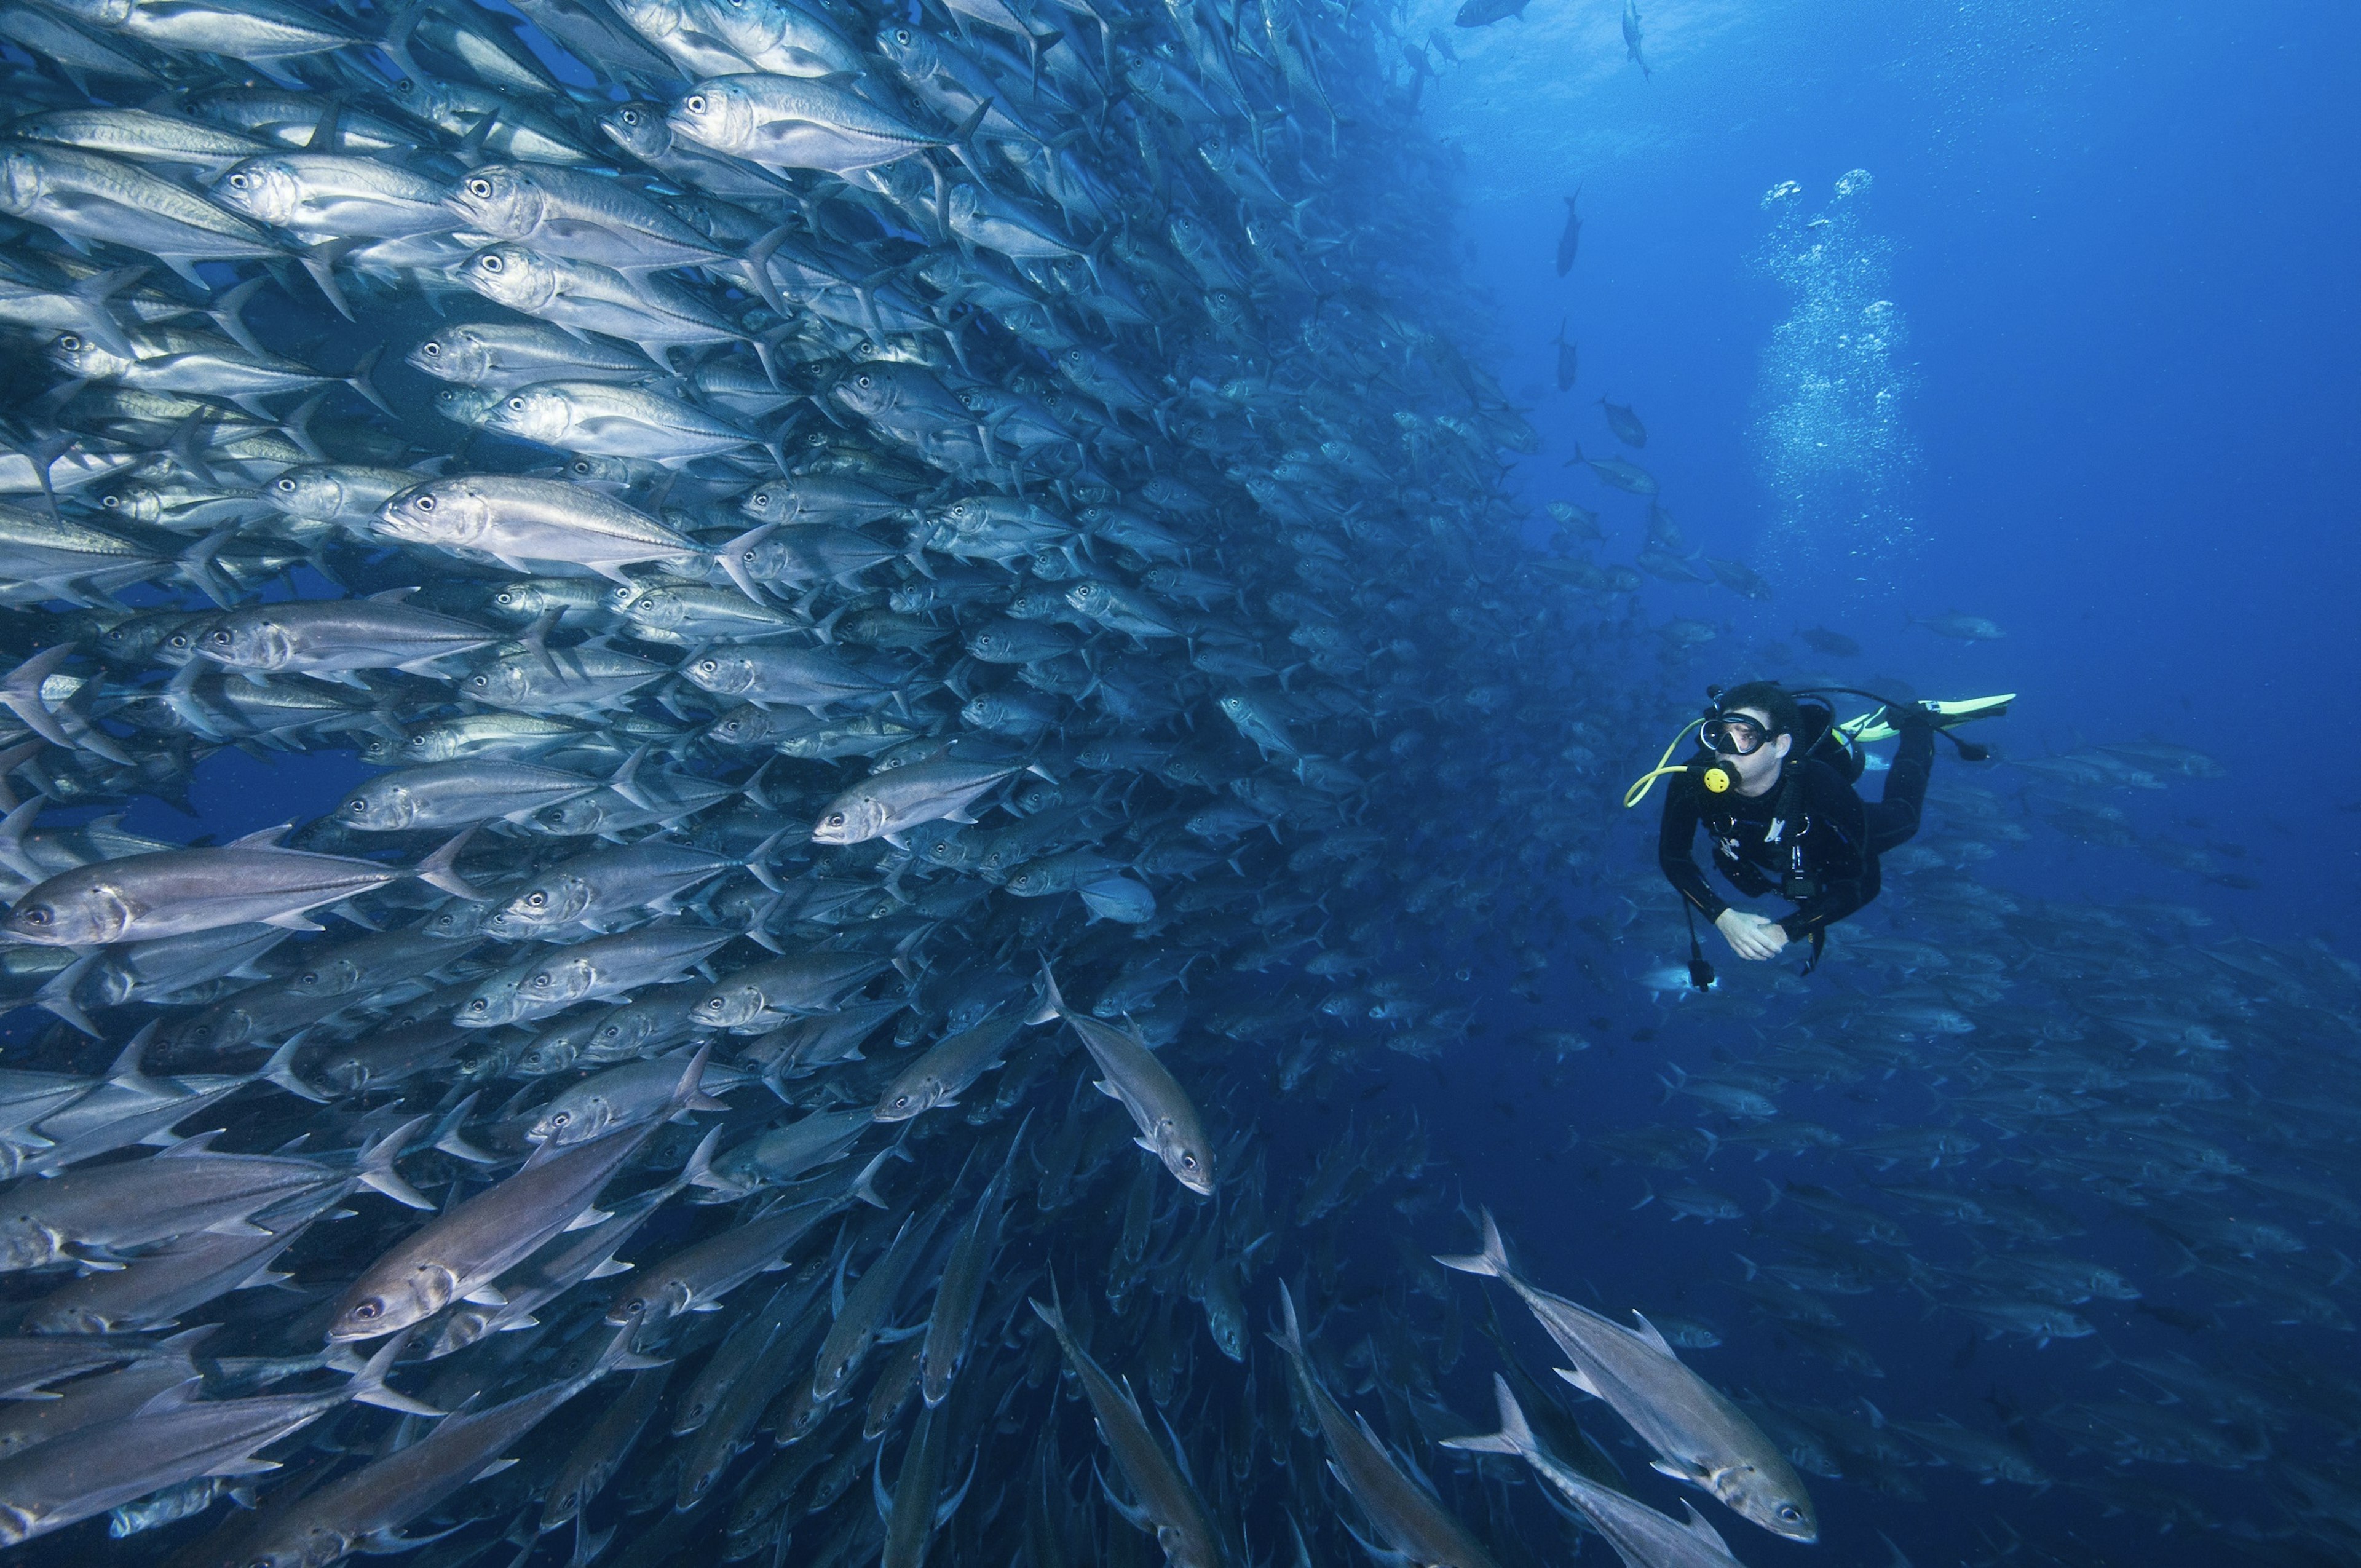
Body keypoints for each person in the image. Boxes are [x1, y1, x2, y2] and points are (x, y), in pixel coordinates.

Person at [1656, 681, 1936, 965]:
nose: (1728, 750)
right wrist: (1723, 917)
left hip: (1823, 835)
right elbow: (1673, 856)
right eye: (1721, 734)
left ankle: (1918, 725)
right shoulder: (1691, 780)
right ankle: (1843, 736)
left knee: (1905, 818)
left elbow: (1862, 884)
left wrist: (1787, 931)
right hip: (1767, 850)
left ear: (1780, 745)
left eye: (1747, 736)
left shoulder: (1824, 789)